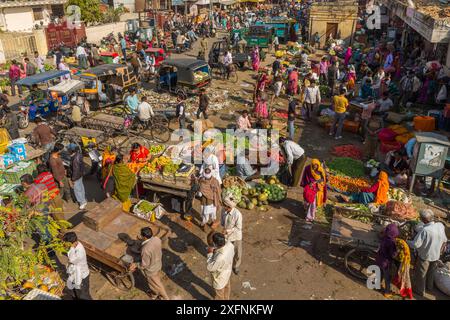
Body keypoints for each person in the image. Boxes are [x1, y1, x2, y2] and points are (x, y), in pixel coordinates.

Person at [407, 209, 447, 297]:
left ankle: (419, 291)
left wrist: (406, 241)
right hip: (436, 255)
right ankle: (429, 287)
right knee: (431, 272)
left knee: (421, 273)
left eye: (421, 218)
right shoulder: (440, 225)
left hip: (425, 256)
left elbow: (416, 245)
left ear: (424, 220)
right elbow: (445, 240)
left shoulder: (425, 230)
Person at [129, 227, 170, 300]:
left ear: (144, 237)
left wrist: (135, 264)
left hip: (151, 270)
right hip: (158, 264)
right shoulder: (157, 239)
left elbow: (144, 265)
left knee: (156, 285)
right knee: (156, 282)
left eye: (141, 236)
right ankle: (155, 294)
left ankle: (165, 297)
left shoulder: (145, 250)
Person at [63, 232, 92, 300]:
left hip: (82, 278)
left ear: (74, 243)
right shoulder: (75, 245)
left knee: (83, 296)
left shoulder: (80, 252)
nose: (65, 245)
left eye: (67, 243)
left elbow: (72, 259)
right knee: (77, 293)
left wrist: (71, 248)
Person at [206, 232, 235, 300]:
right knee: (227, 288)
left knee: (219, 296)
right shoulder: (230, 245)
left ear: (215, 244)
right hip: (227, 273)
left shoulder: (220, 257)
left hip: (219, 278)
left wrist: (209, 254)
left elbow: (210, 267)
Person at [220, 195, 243, 275]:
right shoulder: (223, 211)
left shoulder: (237, 214)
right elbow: (222, 222)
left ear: (229, 206)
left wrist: (228, 230)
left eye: (225, 205)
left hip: (236, 236)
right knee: (227, 251)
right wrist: (223, 229)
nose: (223, 207)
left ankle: (236, 266)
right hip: (227, 236)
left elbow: (238, 228)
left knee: (237, 253)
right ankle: (227, 264)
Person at [376, 223, 399, 298]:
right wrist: (397, 252)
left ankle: (377, 285)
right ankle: (387, 292)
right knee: (388, 278)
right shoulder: (391, 242)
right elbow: (393, 254)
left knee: (380, 273)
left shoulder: (384, 237)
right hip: (386, 262)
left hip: (379, 259)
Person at [68, 144, 87, 210]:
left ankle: (82, 202)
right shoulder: (79, 155)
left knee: (77, 190)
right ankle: (84, 199)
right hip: (80, 174)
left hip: (76, 176)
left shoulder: (75, 160)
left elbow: (75, 170)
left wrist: (73, 179)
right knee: (81, 187)